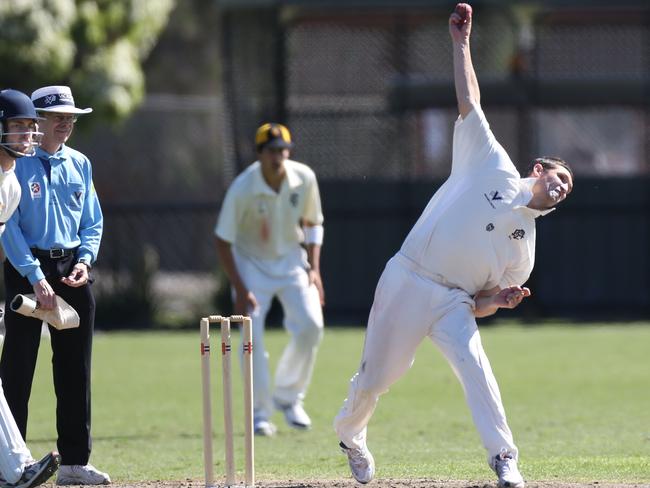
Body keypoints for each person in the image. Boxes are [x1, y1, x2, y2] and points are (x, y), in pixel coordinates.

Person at [333, 4, 573, 488]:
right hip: (408, 276)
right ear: (539, 168)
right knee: (378, 379)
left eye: (569, 188)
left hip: (453, 302)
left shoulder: (524, 251)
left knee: (476, 368)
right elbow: (470, 101)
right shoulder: (491, 164)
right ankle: (351, 437)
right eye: (560, 176)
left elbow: (482, 304)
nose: (563, 187)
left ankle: (504, 458)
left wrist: (499, 301)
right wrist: (461, 43)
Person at [0, 86, 108, 485]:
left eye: (71, 117)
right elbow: (8, 229)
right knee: (17, 367)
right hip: (27, 267)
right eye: (57, 116)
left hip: (71, 267)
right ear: (35, 122)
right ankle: (11, 464)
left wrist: (85, 260)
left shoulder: (80, 162)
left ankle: (75, 463)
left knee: (75, 368)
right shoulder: (16, 164)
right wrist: (34, 276)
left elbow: (92, 220)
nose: (66, 123)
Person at [215, 123, 325, 436]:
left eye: (283, 150)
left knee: (311, 326)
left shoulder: (304, 178)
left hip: (292, 262)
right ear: (260, 153)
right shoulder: (243, 187)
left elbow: (314, 224)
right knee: (253, 337)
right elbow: (223, 240)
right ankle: (259, 413)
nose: (279, 156)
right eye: (272, 151)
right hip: (251, 265)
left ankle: (288, 398)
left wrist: (314, 269)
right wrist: (239, 287)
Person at [0, 88, 62, 488]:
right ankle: (16, 469)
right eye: (17, 127)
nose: (26, 135)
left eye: (29, 127)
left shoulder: (12, 185)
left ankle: (13, 471)